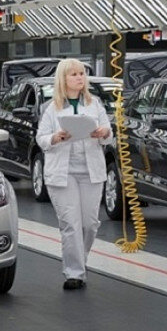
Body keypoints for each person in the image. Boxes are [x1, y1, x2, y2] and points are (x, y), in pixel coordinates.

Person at [35, 59, 112, 290]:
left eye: (82, 74)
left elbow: (109, 135)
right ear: (63, 79)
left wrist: (104, 133)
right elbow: (41, 139)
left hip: (91, 171)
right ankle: (74, 273)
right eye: (74, 74)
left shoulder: (95, 104)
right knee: (70, 223)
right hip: (63, 173)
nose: (80, 78)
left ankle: (80, 261)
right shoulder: (52, 108)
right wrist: (55, 138)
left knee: (89, 224)